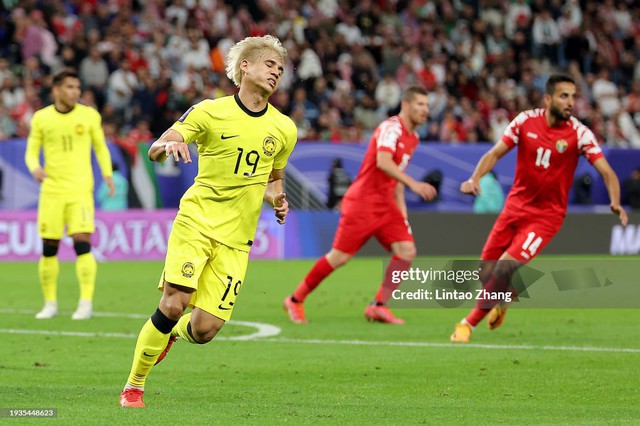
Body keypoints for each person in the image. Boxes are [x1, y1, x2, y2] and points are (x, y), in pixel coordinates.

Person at [119, 35, 297, 408]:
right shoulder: (208, 111)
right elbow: (155, 147)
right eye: (269, 64)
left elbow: (272, 176)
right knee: (173, 302)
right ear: (245, 67)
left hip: (237, 239)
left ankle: (170, 335)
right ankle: (134, 385)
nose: (276, 72)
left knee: (203, 330)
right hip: (197, 221)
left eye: (280, 68)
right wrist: (167, 146)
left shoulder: (283, 129)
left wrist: (277, 198)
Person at [450, 74, 628, 343]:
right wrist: (474, 178)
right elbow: (495, 153)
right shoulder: (525, 121)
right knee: (485, 272)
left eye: (573, 97)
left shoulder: (579, 133)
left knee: (503, 268)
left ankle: (467, 324)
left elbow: (607, 172)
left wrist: (615, 201)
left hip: (546, 217)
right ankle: (507, 295)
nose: (570, 102)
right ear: (548, 98)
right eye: (563, 96)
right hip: (514, 208)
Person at [284, 86, 437, 325]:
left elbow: (396, 176)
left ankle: (378, 306)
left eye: (427, 106)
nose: (425, 110)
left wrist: (403, 214)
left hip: (386, 205)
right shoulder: (391, 128)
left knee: (406, 252)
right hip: (362, 203)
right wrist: (414, 185)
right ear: (405, 105)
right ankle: (295, 299)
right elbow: (384, 162)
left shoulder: (414, 138)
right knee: (339, 258)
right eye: (420, 104)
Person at [25, 69, 114, 321]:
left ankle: (85, 303)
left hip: (79, 190)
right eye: (70, 87)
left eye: (77, 87)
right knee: (49, 247)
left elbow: (100, 147)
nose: (76, 92)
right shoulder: (41, 118)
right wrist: (34, 168)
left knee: (82, 243)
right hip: (51, 191)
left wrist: (107, 175)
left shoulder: (89, 116)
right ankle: (50, 303)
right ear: (56, 90)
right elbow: (31, 151)